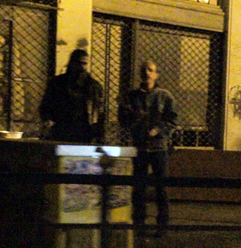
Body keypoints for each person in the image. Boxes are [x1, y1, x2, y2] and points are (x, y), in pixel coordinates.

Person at [118, 60, 177, 237]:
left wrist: (158, 130)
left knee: (161, 187)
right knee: (139, 188)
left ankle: (162, 225)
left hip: (158, 147)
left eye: (150, 70)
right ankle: (139, 223)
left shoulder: (165, 96)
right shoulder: (132, 97)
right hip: (140, 147)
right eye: (144, 70)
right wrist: (134, 121)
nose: (146, 73)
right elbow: (123, 119)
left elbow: (172, 120)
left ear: (156, 74)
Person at [39, 49, 104, 143]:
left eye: (84, 64)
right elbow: (46, 104)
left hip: (85, 130)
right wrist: (47, 120)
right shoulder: (58, 83)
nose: (81, 67)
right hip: (62, 128)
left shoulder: (93, 86)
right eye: (78, 63)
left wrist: (98, 133)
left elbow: (99, 111)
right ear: (72, 63)